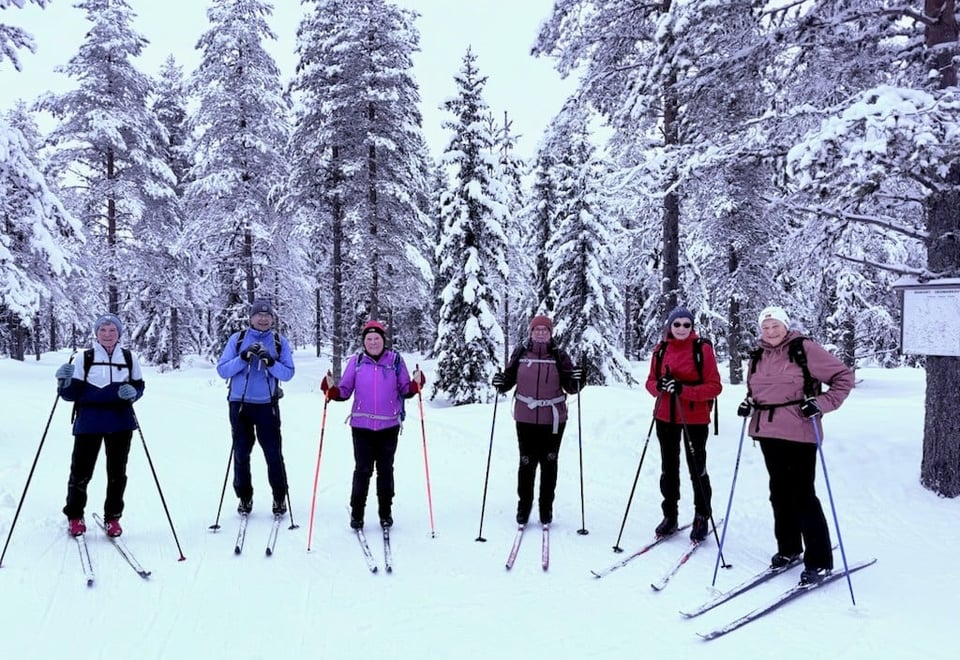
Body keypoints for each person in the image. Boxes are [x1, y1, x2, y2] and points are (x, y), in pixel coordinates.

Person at [737, 305, 854, 585]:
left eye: (775, 325)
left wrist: (821, 404)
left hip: (800, 431)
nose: (770, 331)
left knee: (803, 495)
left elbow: (843, 378)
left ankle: (820, 560)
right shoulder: (758, 355)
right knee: (779, 492)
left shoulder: (804, 349)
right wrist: (749, 403)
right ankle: (789, 549)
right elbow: (757, 390)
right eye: (765, 327)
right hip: (767, 431)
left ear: (786, 326)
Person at [321, 320, 425, 530]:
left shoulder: (395, 361)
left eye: (377, 338)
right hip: (361, 426)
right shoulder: (357, 362)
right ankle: (357, 513)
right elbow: (344, 391)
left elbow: (406, 390)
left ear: (383, 340)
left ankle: (385, 513)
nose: (373, 342)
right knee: (362, 470)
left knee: (385, 470)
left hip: (389, 426)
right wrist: (331, 390)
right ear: (364, 342)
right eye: (369, 339)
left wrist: (416, 383)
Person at [56, 313, 145, 538]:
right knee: (81, 472)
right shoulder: (83, 358)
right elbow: (69, 394)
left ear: (119, 334)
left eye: (112, 331)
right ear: (96, 333)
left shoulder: (128, 357)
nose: (107, 335)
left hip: (120, 421)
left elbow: (139, 385)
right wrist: (63, 382)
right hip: (89, 421)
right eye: (103, 330)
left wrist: (133, 393)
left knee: (117, 473)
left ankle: (113, 518)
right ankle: (75, 516)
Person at [492, 315, 583, 526]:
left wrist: (579, 379)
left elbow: (571, 386)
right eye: (537, 329)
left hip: (553, 419)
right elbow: (508, 380)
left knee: (549, 463)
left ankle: (546, 508)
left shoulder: (559, 356)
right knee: (526, 463)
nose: (541, 332)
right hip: (525, 417)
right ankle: (523, 507)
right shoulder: (521, 353)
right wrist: (499, 382)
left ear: (551, 333)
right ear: (531, 332)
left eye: (545, 329)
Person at [644, 306, 723, 542]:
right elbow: (650, 381)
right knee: (669, 468)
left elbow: (715, 386)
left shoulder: (702, 348)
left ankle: (701, 515)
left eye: (686, 325)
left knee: (696, 467)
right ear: (669, 325)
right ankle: (670, 515)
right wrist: (659, 387)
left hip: (694, 418)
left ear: (692, 326)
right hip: (665, 416)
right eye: (676, 324)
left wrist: (683, 389)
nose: (681, 328)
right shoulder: (661, 349)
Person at [216, 299, 295, 517]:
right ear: (250, 318)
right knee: (241, 453)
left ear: (272, 318)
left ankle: (279, 496)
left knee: (273, 453)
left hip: (267, 405)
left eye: (267, 315)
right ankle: (244, 496)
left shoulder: (279, 341)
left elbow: (288, 373)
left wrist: (270, 362)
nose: (263, 319)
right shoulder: (238, 339)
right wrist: (243, 357)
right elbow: (223, 370)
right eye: (258, 315)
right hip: (239, 405)